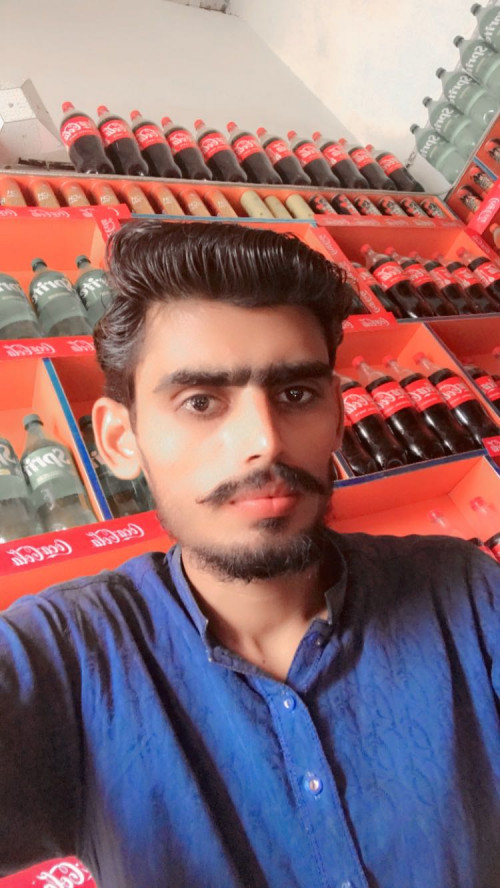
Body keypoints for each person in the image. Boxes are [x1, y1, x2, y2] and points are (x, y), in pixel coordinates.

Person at [0, 220, 499, 888]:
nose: (264, 440)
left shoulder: (464, 593)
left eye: (295, 394)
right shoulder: (68, 655)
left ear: (337, 414)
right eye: (201, 401)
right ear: (121, 440)